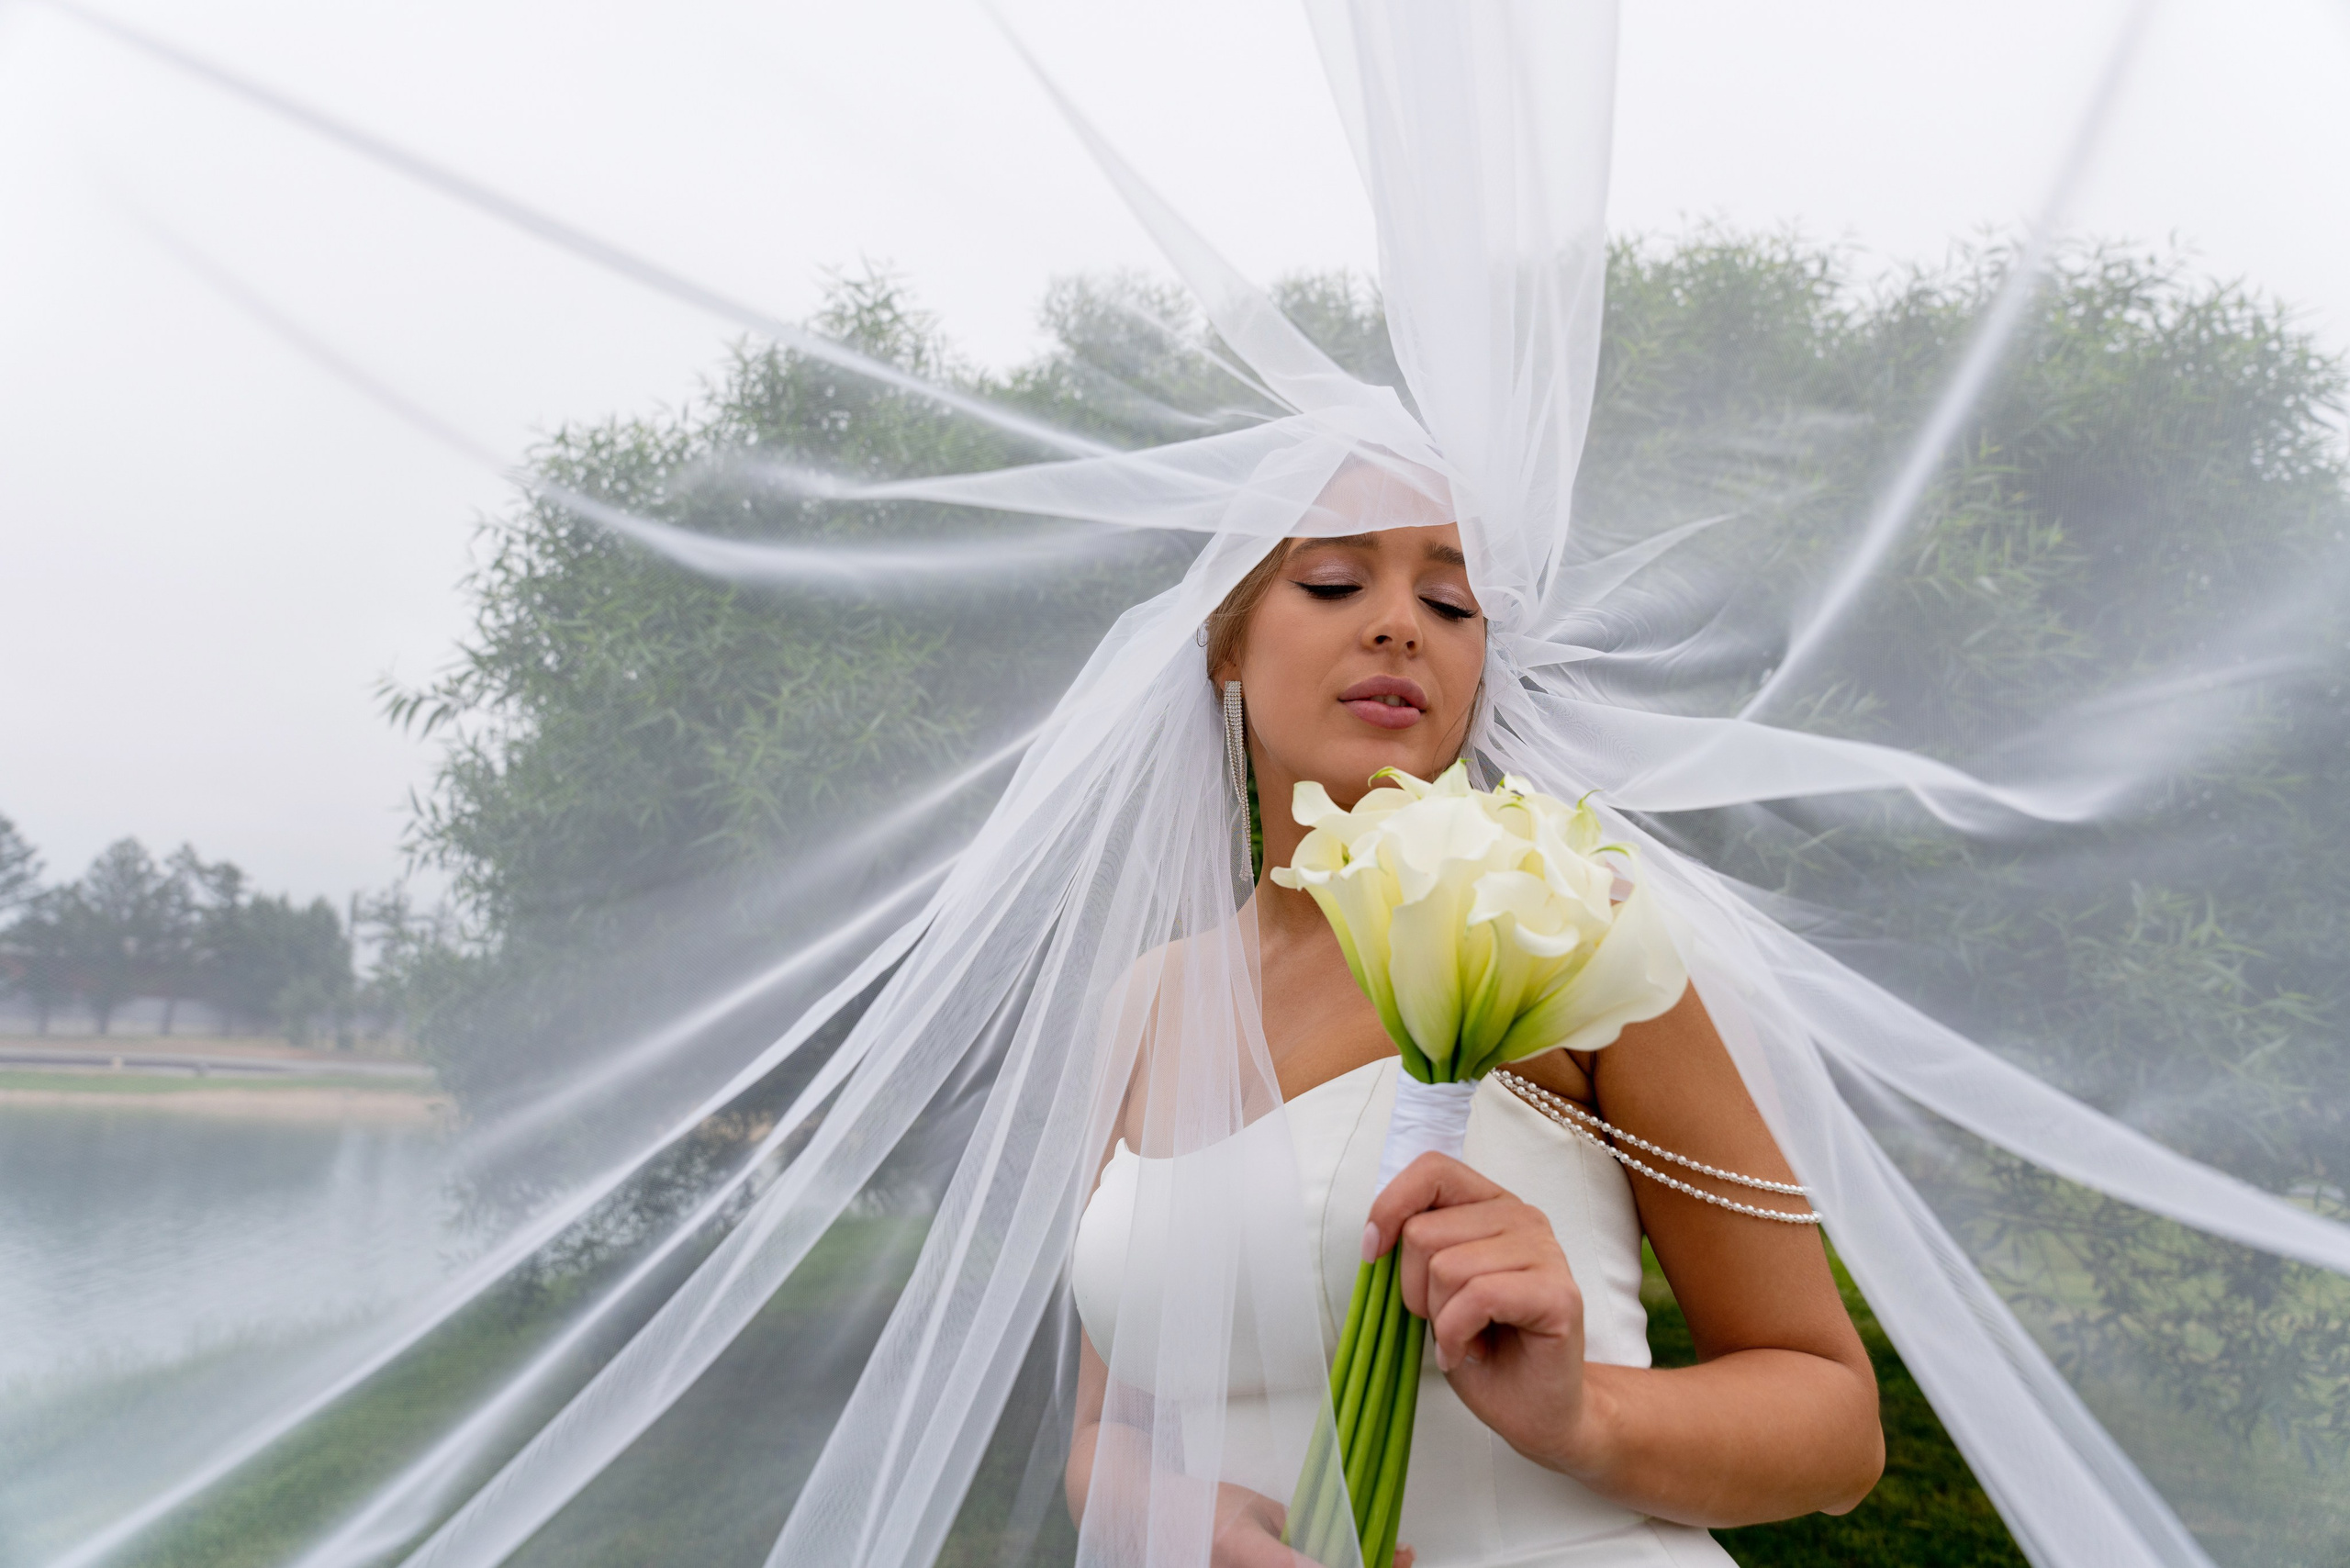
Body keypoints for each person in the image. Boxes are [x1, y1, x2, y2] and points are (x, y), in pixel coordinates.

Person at [1068, 467, 1882, 1567]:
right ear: (1226, 643)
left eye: (1451, 604)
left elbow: (1836, 1424)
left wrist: (1582, 1414)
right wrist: (1183, 1521)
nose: (1400, 625)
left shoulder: (1571, 929)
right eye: (1333, 582)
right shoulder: (1151, 999)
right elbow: (1110, 1428)